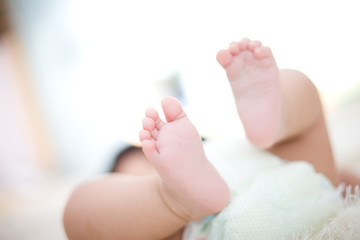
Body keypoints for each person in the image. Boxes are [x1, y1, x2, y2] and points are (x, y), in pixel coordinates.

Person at [63, 38, 350, 240]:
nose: (159, 162)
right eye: (151, 167)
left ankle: (274, 121)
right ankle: (169, 199)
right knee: (80, 209)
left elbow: (348, 178)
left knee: (301, 90)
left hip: (289, 176)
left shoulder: (222, 151)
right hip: (291, 194)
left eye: (155, 158)